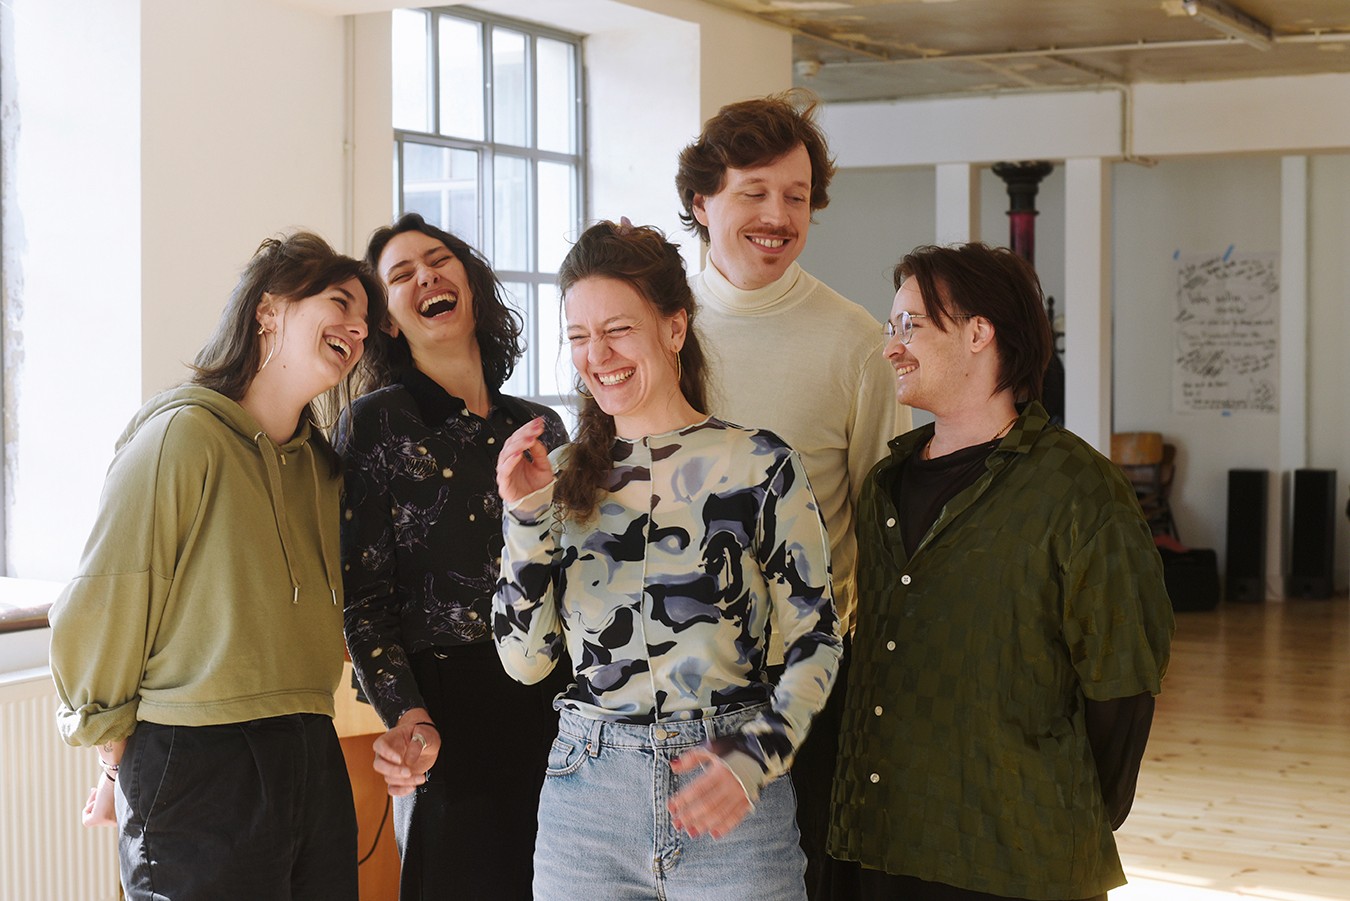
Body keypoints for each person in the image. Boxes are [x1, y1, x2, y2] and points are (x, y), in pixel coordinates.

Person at [493, 219, 842, 900]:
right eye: (579, 336)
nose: (599, 354)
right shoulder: (555, 479)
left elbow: (818, 636)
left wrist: (758, 753)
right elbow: (525, 661)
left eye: (618, 329)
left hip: (730, 784)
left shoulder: (760, 465)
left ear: (674, 328)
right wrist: (526, 519)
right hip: (586, 799)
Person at [828, 242, 1175, 901]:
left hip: (1018, 855)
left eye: (910, 326)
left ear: (979, 332)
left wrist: (1050, 803)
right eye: (890, 327)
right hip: (879, 840)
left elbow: (1121, 689)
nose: (891, 347)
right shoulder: (882, 488)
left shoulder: (1079, 489)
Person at [49, 231, 383, 900]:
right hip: (197, 756)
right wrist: (113, 758)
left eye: (366, 321)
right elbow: (108, 600)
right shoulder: (181, 437)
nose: (357, 326)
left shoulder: (321, 469)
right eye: (340, 302)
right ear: (269, 310)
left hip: (310, 748)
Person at [676, 89, 909, 898]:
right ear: (701, 202)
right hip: (667, 690)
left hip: (802, 687)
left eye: (797, 196)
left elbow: (887, 535)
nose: (779, 215)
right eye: (754, 191)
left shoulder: (857, 345)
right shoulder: (652, 329)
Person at [337, 213, 569, 900]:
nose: (426, 276)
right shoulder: (376, 421)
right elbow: (365, 601)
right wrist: (407, 715)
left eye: (438, 261)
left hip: (554, 700)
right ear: (387, 320)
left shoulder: (539, 427)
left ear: (467, 281)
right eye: (402, 274)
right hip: (443, 708)